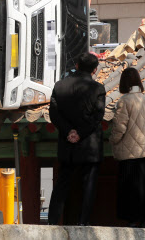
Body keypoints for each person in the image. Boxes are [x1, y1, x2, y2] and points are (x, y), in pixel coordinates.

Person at [48, 52, 106, 226]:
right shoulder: (98, 89)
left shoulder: (59, 86)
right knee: (88, 184)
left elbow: (53, 114)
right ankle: (83, 222)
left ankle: (52, 220)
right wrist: (80, 132)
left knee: (62, 182)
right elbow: (98, 117)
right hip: (90, 144)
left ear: (77, 66)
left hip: (67, 144)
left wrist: (69, 132)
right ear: (95, 70)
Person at [110, 67, 145, 227]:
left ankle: (132, 219)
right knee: (143, 185)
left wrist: (112, 140)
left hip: (128, 152)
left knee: (129, 187)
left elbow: (120, 127)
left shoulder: (124, 101)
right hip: (144, 149)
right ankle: (143, 218)